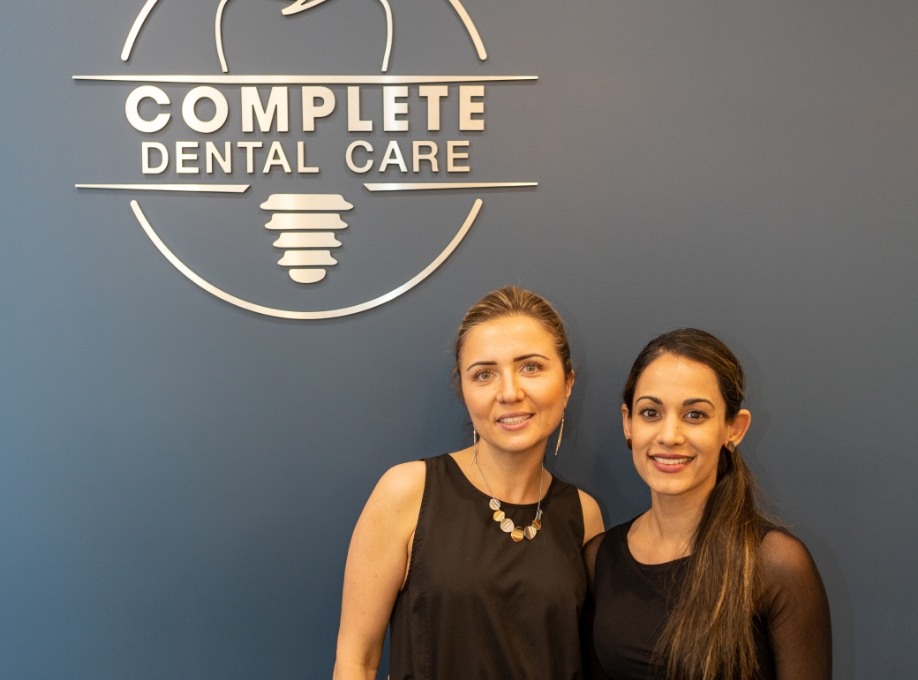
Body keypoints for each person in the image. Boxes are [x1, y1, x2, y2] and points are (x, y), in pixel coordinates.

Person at [333, 285, 605, 680]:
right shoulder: (408, 491)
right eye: (484, 374)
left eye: (531, 366)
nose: (510, 392)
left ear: (567, 384)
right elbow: (356, 660)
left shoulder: (584, 514)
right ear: (463, 390)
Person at [584, 328, 832, 680]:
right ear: (628, 422)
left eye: (695, 415)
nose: (669, 436)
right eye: (650, 412)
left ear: (734, 428)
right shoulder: (600, 558)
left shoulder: (774, 564)